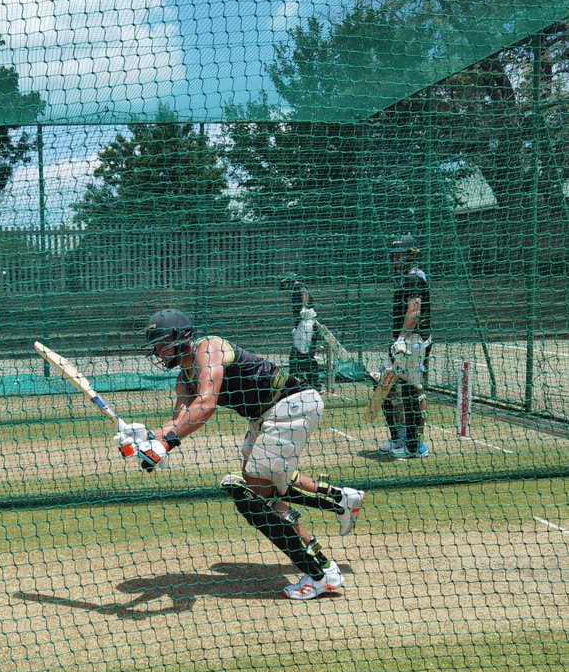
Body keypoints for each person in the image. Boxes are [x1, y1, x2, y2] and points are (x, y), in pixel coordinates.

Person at [115, 308, 364, 601]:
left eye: (161, 342)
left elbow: (205, 405)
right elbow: (181, 420)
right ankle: (341, 500)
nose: (157, 351)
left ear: (181, 337)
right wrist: (146, 436)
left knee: (261, 489)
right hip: (268, 416)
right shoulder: (184, 377)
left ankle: (322, 572)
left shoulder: (209, 349)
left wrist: (165, 443)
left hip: (290, 405)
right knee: (263, 479)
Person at [377, 234, 431, 459]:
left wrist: (402, 338)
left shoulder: (414, 278)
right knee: (384, 386)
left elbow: (415, 310)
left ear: (410, 255)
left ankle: (413, 445)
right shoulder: (405, 277)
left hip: (413, 341)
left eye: (399, 254)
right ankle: (398, 436)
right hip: (403, 341)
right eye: (393, 254)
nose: (394, 258)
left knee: (410, 390)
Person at [278, 275, 323, 390]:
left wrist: (304, 306)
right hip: (303, 326)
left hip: (307, 326)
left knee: (302, 357)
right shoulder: (296, 287)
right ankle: (302, 384)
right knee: (299, 357)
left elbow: (304, 293)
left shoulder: (298, 286)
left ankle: (312, 385)